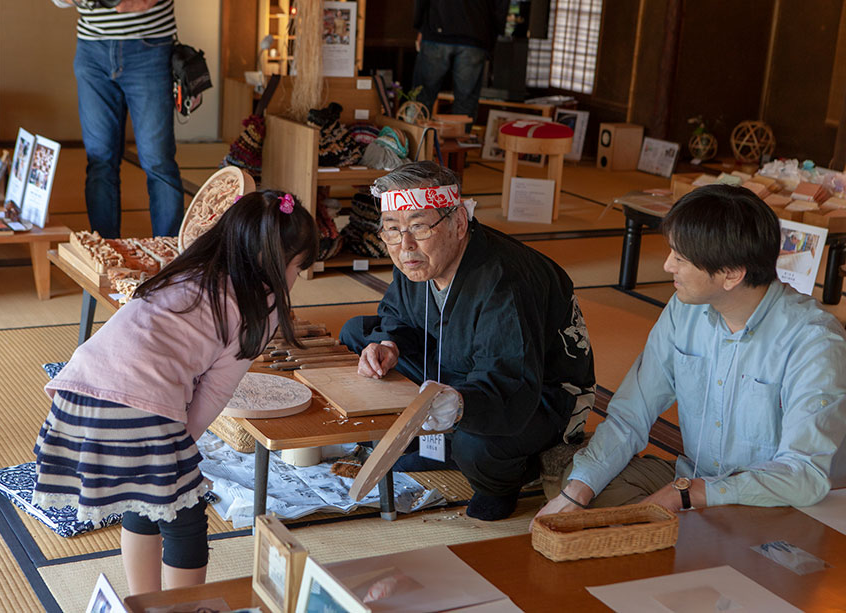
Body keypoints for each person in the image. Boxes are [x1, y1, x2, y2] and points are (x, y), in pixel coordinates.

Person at [31, 190, 317, 594]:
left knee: (144, 498)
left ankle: (144, 602)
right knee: (184, 517)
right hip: (139, 403)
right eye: (298, 267)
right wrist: (181, 444)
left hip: (77, 390)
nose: (296, 278)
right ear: (275, 262)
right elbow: (217, 390)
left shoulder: (190, 270)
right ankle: (180, 607)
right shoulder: (263, 305)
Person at [533, 184, 846, 526]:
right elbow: (631, 415)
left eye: (681, 258)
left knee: (771, 529)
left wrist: (687, 494)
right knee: (578, 484)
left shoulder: (814, 340)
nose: (668, 266)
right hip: (693, 477)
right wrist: (575, 494)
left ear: (731, 274)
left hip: (774, 498)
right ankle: (689, 530)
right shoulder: (685, 310)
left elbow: (802, 475)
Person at [340, 161, 596, 521]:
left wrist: (462, 406)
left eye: (419, 226)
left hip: (539, 394)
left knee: (475, 443)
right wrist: (389, 345)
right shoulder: (417, 259)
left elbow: (511, 380)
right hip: (458, 363)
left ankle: (503, 482)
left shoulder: (506, 280)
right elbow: (395, 314)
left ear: (459, 223)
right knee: (357, 333)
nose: (405, 245)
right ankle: (436, 443)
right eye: (392, 230)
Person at [51, 0, 184, 238]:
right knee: (100, 159)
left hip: (150, 47)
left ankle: (172, 259)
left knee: (158, 160)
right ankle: (105, 255)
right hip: (92, 50)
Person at [411, 0, 511, 122]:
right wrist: (493, 33)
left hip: (436, 26)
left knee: (422, 96)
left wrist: (420, 24)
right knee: (466, 102)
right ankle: (459, 140)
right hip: (475, 31)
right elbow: (501, 5)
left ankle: (415, 139)